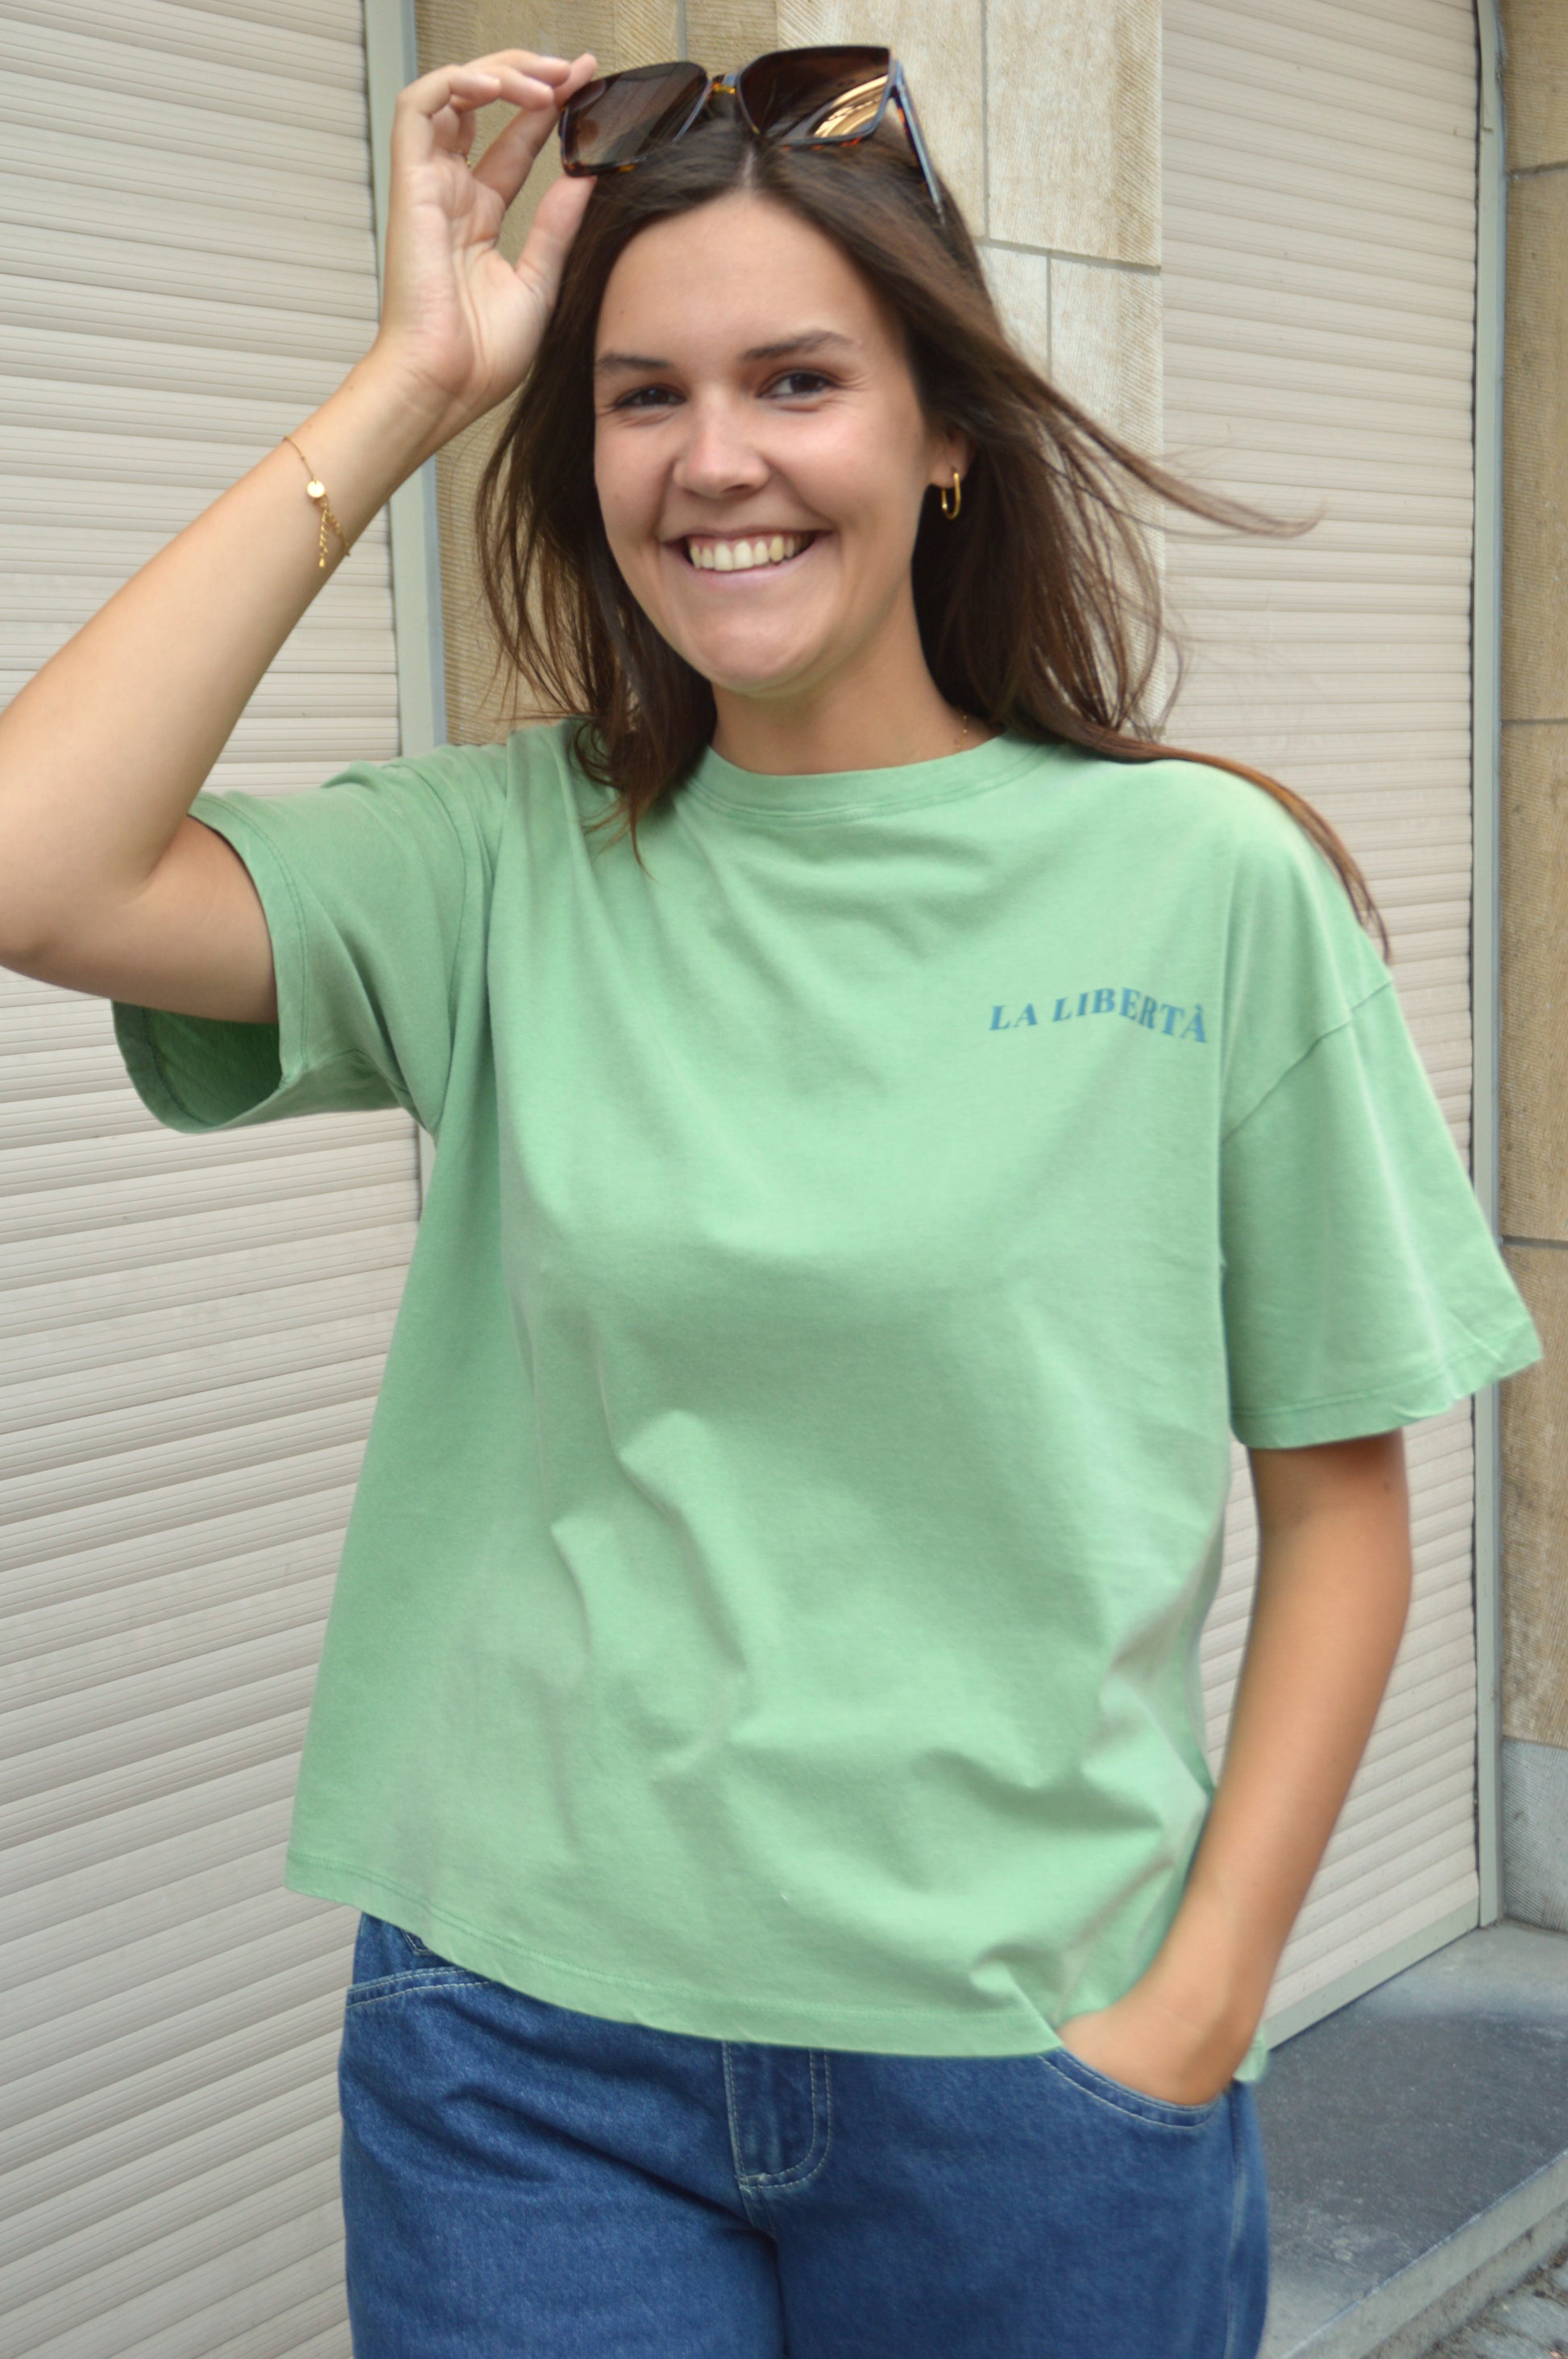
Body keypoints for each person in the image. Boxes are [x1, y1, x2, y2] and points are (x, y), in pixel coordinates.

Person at [0, 42, 1541, 2359]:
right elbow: (35, 864)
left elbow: (1340, 1507)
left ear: (943, 434)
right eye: (643, 397)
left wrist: (1196, 2007)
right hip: (525, 2059)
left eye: (796, 380)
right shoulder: (505, 863)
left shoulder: (1203, 883)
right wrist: (414, 383)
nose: (712, 458)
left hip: (1033, 2066)